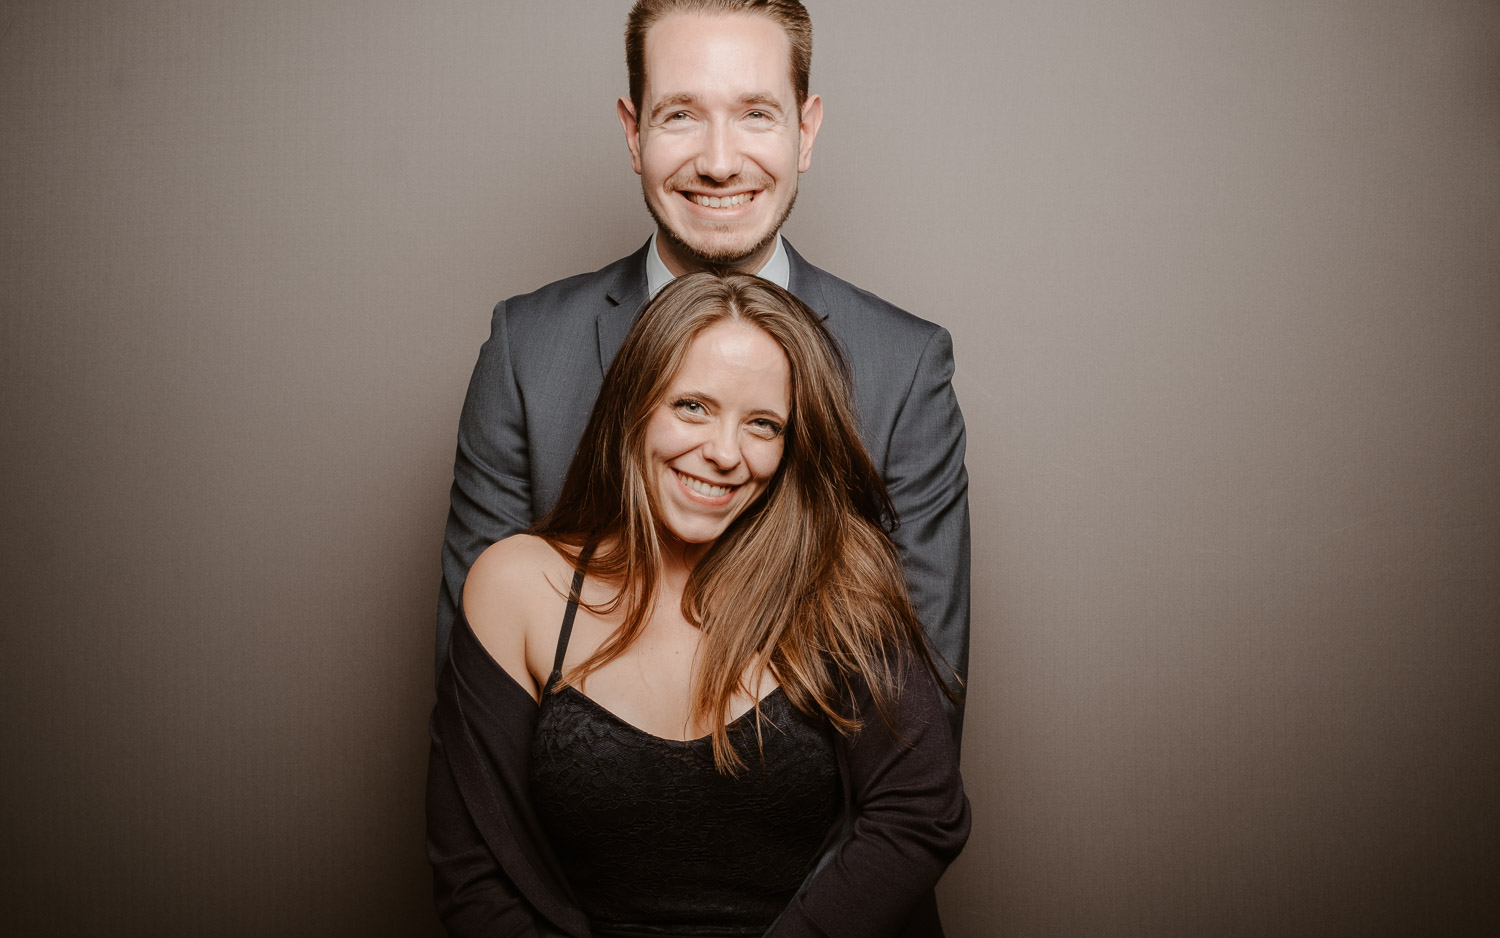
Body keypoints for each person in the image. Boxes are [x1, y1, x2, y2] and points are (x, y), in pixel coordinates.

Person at [437, 0, 971, 741]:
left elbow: (920, 740)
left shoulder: (905, 370)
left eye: (756, 114)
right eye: (681, 116)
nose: (719, 162)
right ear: (633, 133)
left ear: (806, 130)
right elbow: (475, 720)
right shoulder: (526, 353)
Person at [427, 272, 969, 937]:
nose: (722, 453)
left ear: (792, 444)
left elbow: (921, 812)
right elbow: (472, 869)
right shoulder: (515, 585)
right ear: (635, 405)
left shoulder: (841, 582)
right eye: (692, 407)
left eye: (763, 424)